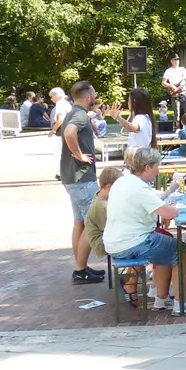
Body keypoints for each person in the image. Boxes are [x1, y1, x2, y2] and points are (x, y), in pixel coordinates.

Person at [104, 146, 186, 314]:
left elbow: (155, 206)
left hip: (114, 243)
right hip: (133, 243)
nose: (158, 170)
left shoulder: (123, 181)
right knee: (183, 251)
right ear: (147, 167)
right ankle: (181, 304)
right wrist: (178, 209)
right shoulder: (139, 188)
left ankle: (161, 300)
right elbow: (168, 213)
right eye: (157, 166)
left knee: (167, 249)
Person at [57, 81, 107, 285]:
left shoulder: (72, 112)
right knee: (91, 221)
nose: (95, 96)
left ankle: (81, 266)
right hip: (81, 177)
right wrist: (79, 155)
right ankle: (80, 270)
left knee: (80, 221)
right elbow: (69, 133)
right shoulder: (78, 115)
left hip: (71, 176)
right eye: (93, 93)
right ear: (87, 96)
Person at [82, 166, 123, 273]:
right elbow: (110, 229)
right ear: (109, 187)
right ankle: (129, 277)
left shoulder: (101, 197)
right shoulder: (101, 206)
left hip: (106, 237)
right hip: (102, 243)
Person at [162, 55, 186, 126]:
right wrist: (171, 85)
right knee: (177, 113)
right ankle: (177, 128)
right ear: (171, 61)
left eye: (178, 59)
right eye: (175, 59)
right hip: (174, 93)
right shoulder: (168, 71)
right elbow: (163, 82)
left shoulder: (182, 69)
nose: (177, 61)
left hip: (184, 92)